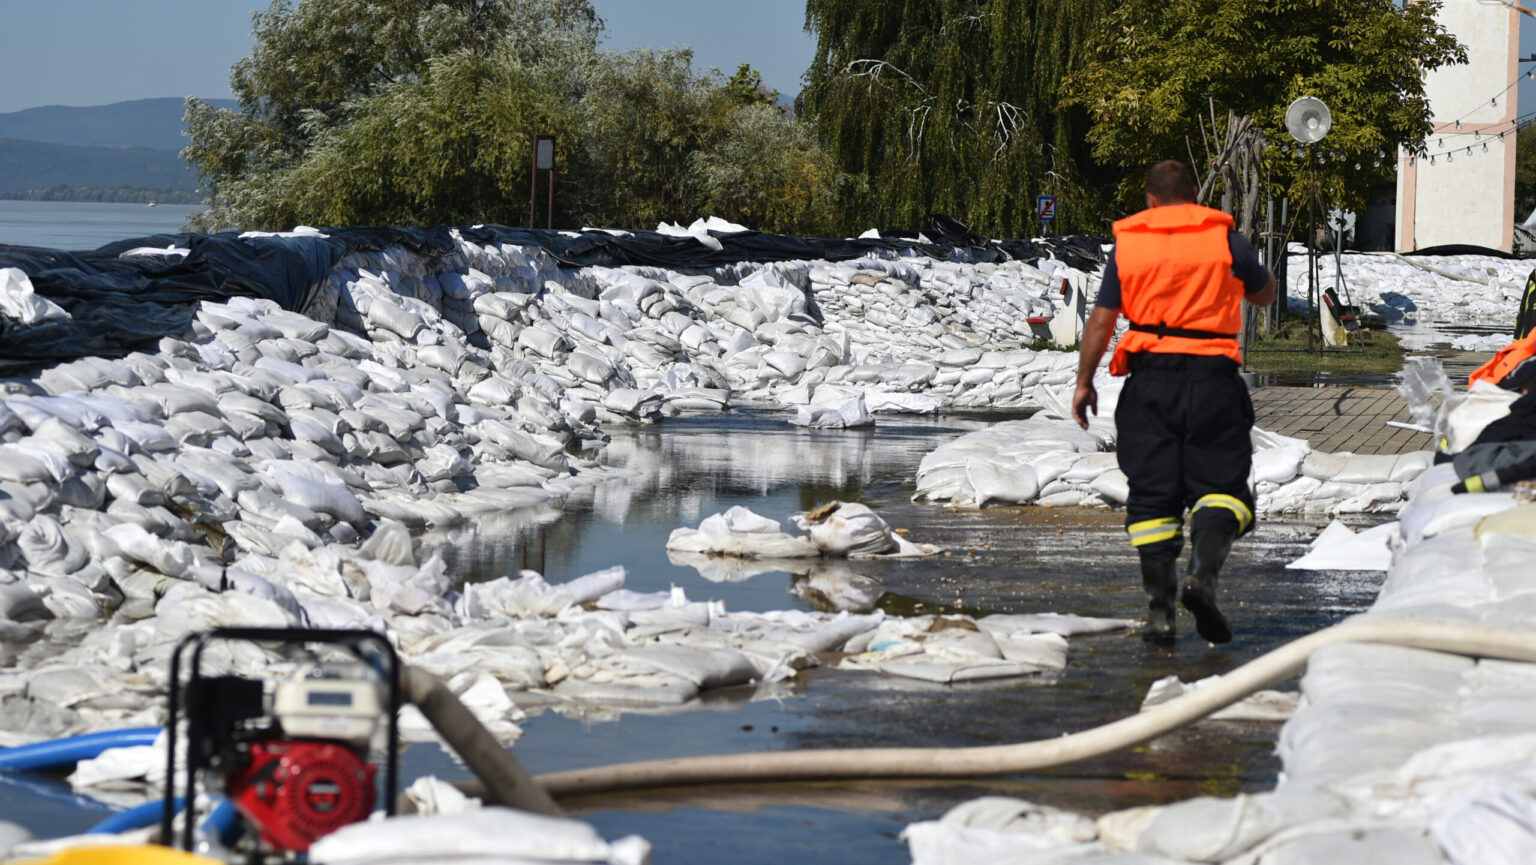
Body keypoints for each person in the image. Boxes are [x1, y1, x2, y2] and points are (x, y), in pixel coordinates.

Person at [1071, 160, 1276, 645]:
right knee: (1222, 487)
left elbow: (1102, 319)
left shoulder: (1131, 244)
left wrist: (1084, 381)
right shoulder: (1224, 238)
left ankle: (1161, 614)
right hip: (1213, 380)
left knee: (1153, 497)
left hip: (1150, 383)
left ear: (1150, 200)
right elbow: (1264, 295)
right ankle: (1202, 578)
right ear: (1195, 197)